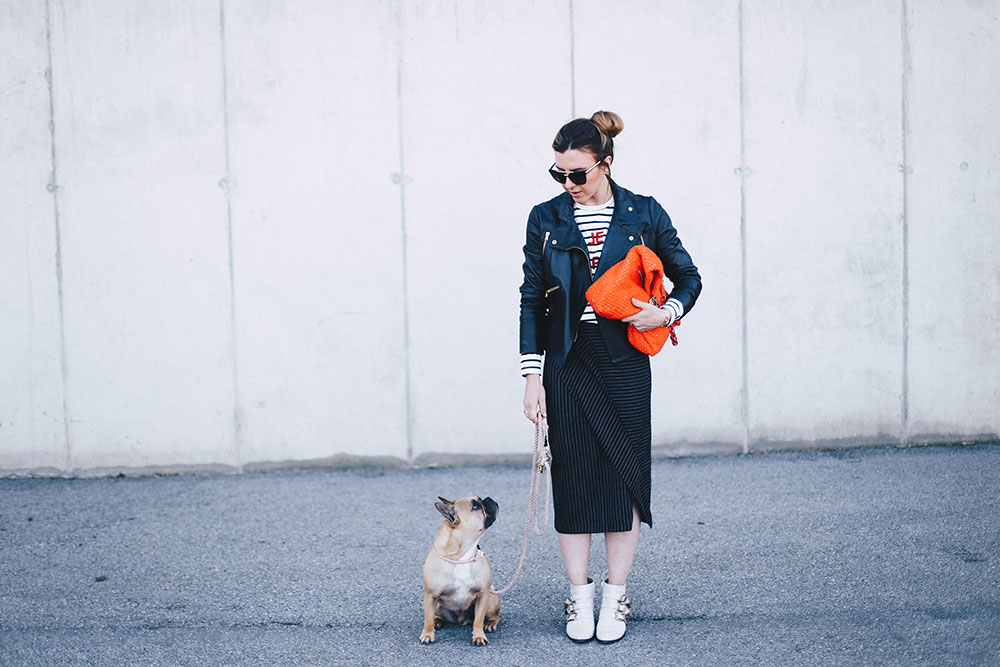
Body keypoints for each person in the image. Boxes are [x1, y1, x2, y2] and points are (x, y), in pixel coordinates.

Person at [518, 110, 702, 643]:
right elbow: (532, 298)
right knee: (573, 477)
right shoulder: (545, 217)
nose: (568, 185)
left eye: (578, 174)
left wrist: (665, 313)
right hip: (567, 361)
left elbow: (688, 275)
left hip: (624, 361)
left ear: (606, 163)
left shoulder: (644, 213)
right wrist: (533, 377)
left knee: (624, 480)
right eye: (559, 175)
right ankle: (579, 596)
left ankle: (616, 596)